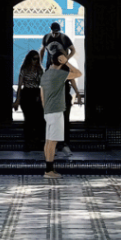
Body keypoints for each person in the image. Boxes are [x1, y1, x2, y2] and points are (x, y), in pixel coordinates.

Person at [41, 50, 82, 178]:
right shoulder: (59, 74)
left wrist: (46, 108)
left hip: (48, 111)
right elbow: (78, 73)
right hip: (56, 111)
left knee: (48, 141)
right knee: (53, 142)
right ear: (60, 60)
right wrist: (67, 63)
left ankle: (48, 169)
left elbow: (42, 95)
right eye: (63, 58)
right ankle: (49, 171)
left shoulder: (45, 74)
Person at [41, 22, 77, 154]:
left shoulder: (64, 38)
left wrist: (66, 60)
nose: (55, 34)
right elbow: (42, 50)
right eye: (54, 32)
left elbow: (73, 50)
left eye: (57, 31)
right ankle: (53, 144)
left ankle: (62, 143)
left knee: (63, 116)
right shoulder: (46, 38)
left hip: (61, 82)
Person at [13, 50, 44, 153]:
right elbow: (20, 85)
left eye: (37, 59)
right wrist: (17, 100)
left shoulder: (39, 70)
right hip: (26, 93)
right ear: (29, 59)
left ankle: (37, 141)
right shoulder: (24, 69)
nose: (35, 61)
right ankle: (27, 143)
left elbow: (42, 84)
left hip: (36, 93)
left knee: (38, 119)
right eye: (34, 59)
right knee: (28, 119)